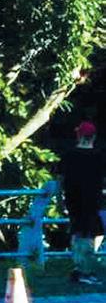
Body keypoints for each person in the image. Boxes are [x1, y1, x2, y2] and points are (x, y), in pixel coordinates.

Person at [59, 121, 106, 285]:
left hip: (73, 202)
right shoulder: (99, 156)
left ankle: (80, 268)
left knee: (80, 234)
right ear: (93, 137)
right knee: (89, 237)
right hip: (93, 202)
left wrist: (60, 201)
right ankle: (84, 271)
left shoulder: (69, 155)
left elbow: (60, 180)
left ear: (79, 136)